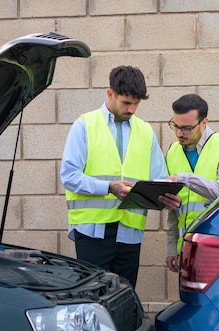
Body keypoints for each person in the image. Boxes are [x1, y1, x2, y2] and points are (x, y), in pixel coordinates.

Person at [60, 65, 179, 288]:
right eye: (126, 102)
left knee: (124, 300)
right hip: (92, 232)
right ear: (110, 94)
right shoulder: (85, 125)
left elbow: (159, 177)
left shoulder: (145, 131)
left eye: (136, 103)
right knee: (92, 301)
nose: (132, 109)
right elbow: (69, 176)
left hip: (130, 233)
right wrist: (108, 187)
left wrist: (167, 194)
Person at [164, 94, 219, 272]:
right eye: (175, 126)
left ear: (204, 122)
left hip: (217, 249)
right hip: (185, 249)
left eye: (186, 128)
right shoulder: (173, 151)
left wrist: (185, 179)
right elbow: (173, 209)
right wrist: (171, 248)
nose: (179, 133)